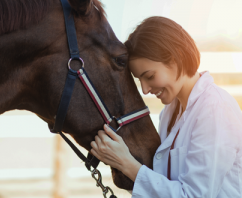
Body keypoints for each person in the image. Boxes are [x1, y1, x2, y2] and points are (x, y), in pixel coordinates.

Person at [90, 16, 242, 197]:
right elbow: (163, 185)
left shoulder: (215, 110)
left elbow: (193, 195)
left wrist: (127, 163)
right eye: (140, 80)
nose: (145, 90)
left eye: (150, 76)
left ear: (174, 60)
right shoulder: (170, 113)